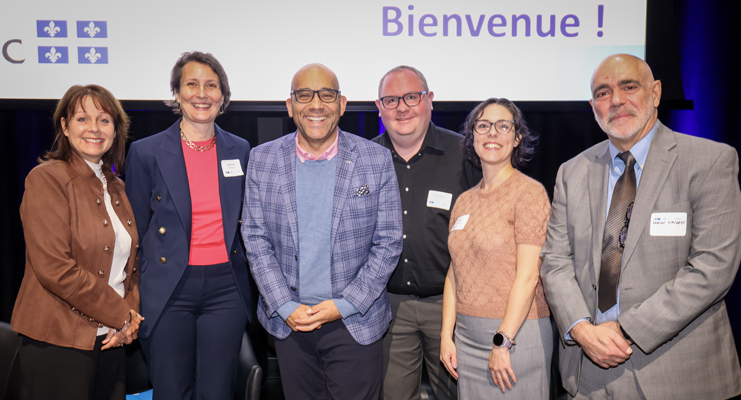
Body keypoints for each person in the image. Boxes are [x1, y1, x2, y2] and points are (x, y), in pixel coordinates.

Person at [540, 54, 741, 399]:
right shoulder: (572, 172)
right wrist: (582, 330)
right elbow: (555, 262)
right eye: (603, 93)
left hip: (679, 372)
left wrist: (624, 328)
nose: (616, 100)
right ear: (593, 107)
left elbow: (713, 268)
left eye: (629, 87)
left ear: (656, 93)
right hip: (589, 372)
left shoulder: (710, 161)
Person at [241, 63, 402, 400]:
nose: (316, 104)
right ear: (290, 106)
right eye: (304, 95)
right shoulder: (262, 159)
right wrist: (284, 306)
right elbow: (255, 240)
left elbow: (387, 242)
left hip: (354, 322)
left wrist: (344, 304)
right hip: (291, 325)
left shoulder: (376, 159)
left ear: (342, 104)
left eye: (326, 95)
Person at [125, 51, 253, 399]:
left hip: (225, 289)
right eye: (192, 84)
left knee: (217, 391)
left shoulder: (240, 150)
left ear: (223, 97)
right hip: (168, 289)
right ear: (177, 94)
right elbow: (135, 230)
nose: (202, 93)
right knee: (171, 390)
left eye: (211, 85)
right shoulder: (146, 152)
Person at [12, 84, 142, 400]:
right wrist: (121, 315)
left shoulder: (117, 187)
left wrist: (128, 321)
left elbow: (129, 269)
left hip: (111, 339)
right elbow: (56, 270)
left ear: (116, 130)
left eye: (104, 120)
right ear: (65, 127)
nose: (94, 129)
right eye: (82, 119)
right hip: (57, 342)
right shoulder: (45, 179)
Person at [372, 65, 480, 400]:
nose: (402, 107)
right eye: (391, 100)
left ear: (430, 100)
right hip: (387, 309)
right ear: (379, 107)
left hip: (450, 308)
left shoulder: (467, 154)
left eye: (411, 97)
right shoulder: (366, 159)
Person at [440, 98, 552, 399]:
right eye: (484, 126)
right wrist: (446, 336)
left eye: (503, 126)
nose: (492, 134)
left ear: (517, 138)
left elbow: (529, 277)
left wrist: (503, 342)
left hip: (516, 337)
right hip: (466, 338)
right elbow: (455, 273)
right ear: (472, 135)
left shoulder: (529, 193)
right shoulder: (464, 201)